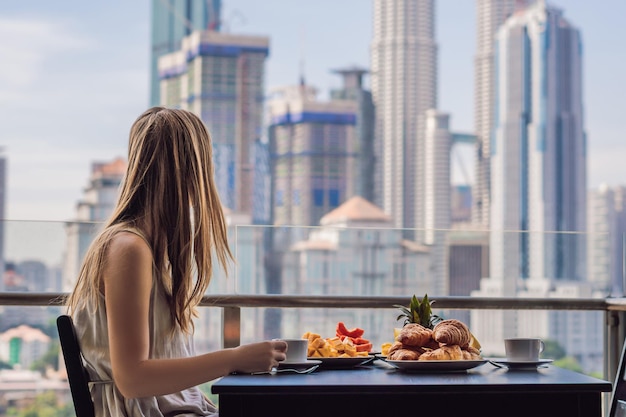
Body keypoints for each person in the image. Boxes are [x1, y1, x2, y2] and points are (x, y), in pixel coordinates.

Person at [66, 107, 287, 416]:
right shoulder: (129, 248)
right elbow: (132, 380)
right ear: (188, 170)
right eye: (203, 165)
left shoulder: (146, 250)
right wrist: (234, 358)